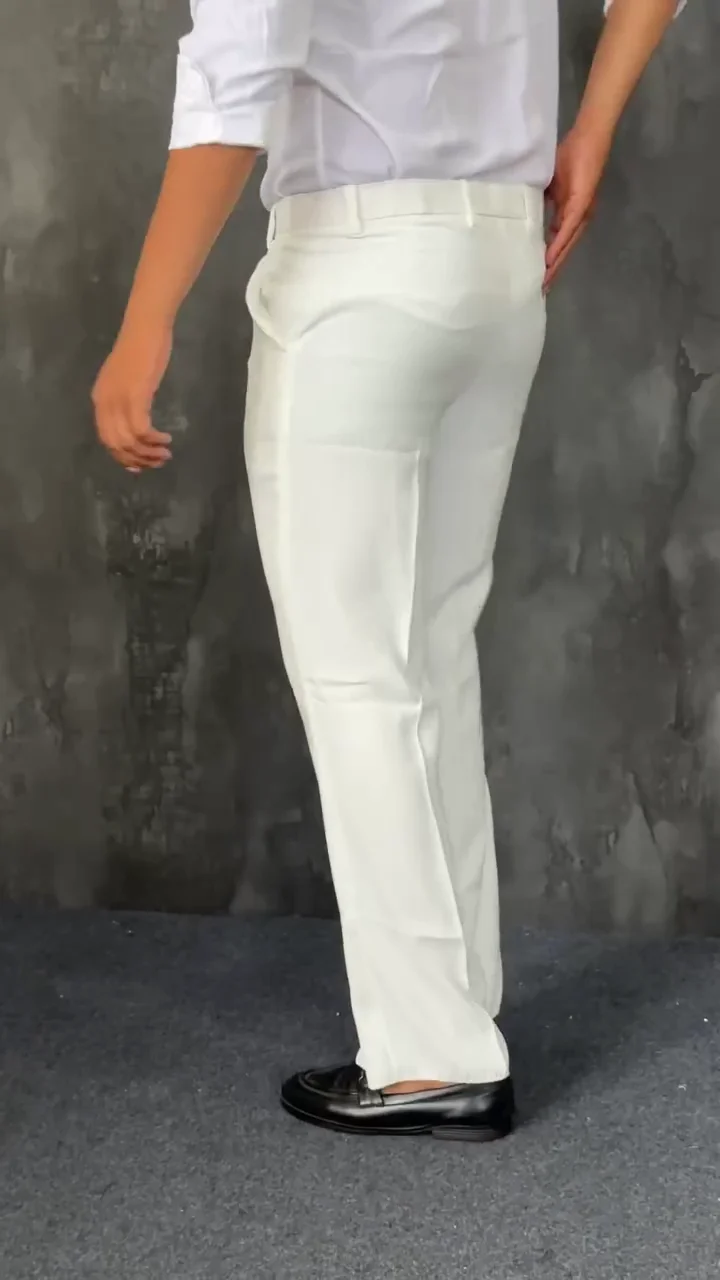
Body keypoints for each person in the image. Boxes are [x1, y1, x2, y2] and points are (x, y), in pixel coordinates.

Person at [93, 0, 686, 1141]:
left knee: (360, 674)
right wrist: (592, 127)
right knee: (428, 649)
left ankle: (430, 1059)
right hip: (499, 257)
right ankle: (457, 1007)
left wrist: (146, 317)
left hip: (358, 269)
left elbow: (240, 66)